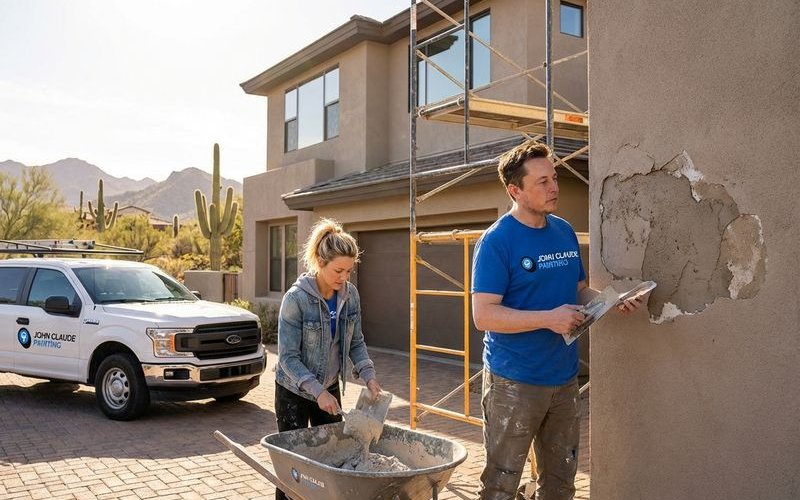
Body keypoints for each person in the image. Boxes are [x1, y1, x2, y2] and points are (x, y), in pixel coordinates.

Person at [471, 140, 642, 500]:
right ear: (514, 190)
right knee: (501, 485)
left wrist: (611, 302)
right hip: (513, 382)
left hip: (564, 381)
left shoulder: (563, 230)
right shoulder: (496, 241)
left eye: (555, 177)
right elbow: (483, 315)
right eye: (542, 182)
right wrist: (548, 319)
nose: (554, 188)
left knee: (561, 483)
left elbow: (578, 290)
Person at [274, 218, 381, 500]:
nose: (343, 277)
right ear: (320, 262)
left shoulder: (350, 295)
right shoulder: (295, 299)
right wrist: (317, 391)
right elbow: (287, 357)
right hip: (294, 392)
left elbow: (355, 341)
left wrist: (368, 375)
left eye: (349, 270)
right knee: (293, 470)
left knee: (329, 463)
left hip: (329, 388)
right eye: (338, 270)